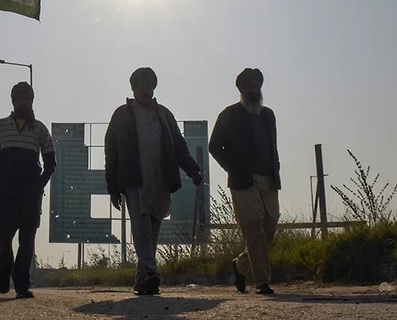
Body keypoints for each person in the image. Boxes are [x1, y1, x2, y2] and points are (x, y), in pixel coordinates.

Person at [105, 67, 203, 296]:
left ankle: (142, 281)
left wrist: (192, 169)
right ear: (133, 88)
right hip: (134, 179)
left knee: (153, 226)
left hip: (160, 178)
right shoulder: (122, 114)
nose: (145, 90)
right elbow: (111, 152)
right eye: (141, 85)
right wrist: (113, 188)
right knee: (141, 226)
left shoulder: (164, 114)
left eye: (149, 85)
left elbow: (179, 146)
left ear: (153, 88)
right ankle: (151, 272)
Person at [208, 68, 280, 295]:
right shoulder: (229, 114)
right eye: (249, 85)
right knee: (255, 231)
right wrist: (233, 168)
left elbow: (272, 145)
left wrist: (275, 170)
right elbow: (214, 146)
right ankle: (262, 281)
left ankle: (241, 265)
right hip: (244, 182)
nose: (254, 89)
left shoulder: (268, 115)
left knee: (270, 228)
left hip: (269, 179)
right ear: (241, 89)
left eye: (257, 84)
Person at [0, 82, 56, 299]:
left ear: (32, 100)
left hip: (30, 191)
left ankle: (22, 284)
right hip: (5, 189)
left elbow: (51, 161)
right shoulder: (0, 126)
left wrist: (40, 184)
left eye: (27, 98)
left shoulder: (40, 129)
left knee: (27, 238)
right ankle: (4, 270)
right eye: (19, 98)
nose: (23, 102)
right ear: (12, 100)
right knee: (4, 235)